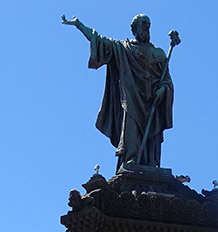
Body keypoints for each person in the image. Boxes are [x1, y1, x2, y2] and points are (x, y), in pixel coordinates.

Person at [62, 13, 175, 171]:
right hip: (132, 97)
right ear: (134, 29)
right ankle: (131, 159)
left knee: (151, 133)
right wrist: (79, 25)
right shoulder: (124, 48)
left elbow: (167, 79)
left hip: (152, 100)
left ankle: (150, 162)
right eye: (143, 25)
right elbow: (100, 40)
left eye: (148, 25)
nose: (146, 28)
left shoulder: (159, 54)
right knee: (131, 129)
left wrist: (163, 89)